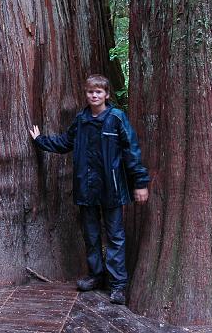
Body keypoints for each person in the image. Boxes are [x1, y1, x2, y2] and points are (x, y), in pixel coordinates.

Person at [28, 74, 149, 305]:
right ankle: (96, 275)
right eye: (90, 92)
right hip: (86, 188)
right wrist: (40, 140)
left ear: (106, 95)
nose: (94, 95)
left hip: (111, 189)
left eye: (99, 92)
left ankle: (118, 285)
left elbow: (131, 151)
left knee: (115, 237)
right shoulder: (81, 120)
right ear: (86, 94)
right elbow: (65, 142)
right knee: (91, 236)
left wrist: (140, 182)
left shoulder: (116, 118)